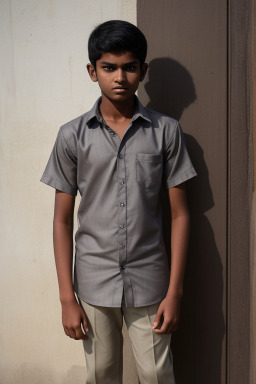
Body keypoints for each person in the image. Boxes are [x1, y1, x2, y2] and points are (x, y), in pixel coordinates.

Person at [40, 20, 197, 384]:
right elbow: (62, 221)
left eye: (129, 67)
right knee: (101, 374)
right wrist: (67, 298)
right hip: (93, 281)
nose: (120, 77)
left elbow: (181, 215)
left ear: (143, 70)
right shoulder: (71, 136)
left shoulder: (166, 132)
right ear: (92, 71)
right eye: (109, 67)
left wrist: (175, 291)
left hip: (151, 281)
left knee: (158, 374)